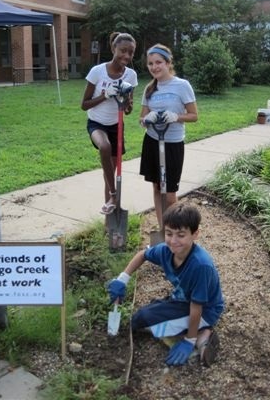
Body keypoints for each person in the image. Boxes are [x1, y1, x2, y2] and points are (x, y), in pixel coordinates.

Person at [107, 201, 224, 367]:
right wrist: (122, 279)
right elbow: (143, 255)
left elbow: (196, 307)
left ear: (195, 234)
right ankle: (187, 329)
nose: (173, 241)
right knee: (140, 318)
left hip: (205, 310)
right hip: (182, 300)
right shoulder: (166, 250)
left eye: (181, 235)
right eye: (169, 234)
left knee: (144, 322)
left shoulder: (200, 266)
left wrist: (188, 341)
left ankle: (201, 335)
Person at [139, 44, 197, 229]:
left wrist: (176, 117)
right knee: (157, 187)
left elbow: (194, 115)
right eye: (150, 64)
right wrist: (147, 119)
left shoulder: (182, 85)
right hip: (152, 142)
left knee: (170, 194)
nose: (154, 67)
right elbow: (142, 119)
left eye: (158, 62)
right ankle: (162, 229)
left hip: (172, 144)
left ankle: (175, 230)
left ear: (168, 63)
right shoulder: (149, 88)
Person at [81, 32, 138, 215]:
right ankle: (114, 194)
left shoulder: (131, 76)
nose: (127, 56)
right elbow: (84, 105)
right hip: (96, 123)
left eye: (130, 53)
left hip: (116, 126)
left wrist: (126, 102)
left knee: (110, 173)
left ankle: (110, 220)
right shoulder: (97, 71)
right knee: (104, 147)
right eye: (123, 51)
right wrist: (105, 95)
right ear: (114, 49)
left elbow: (128, 110)